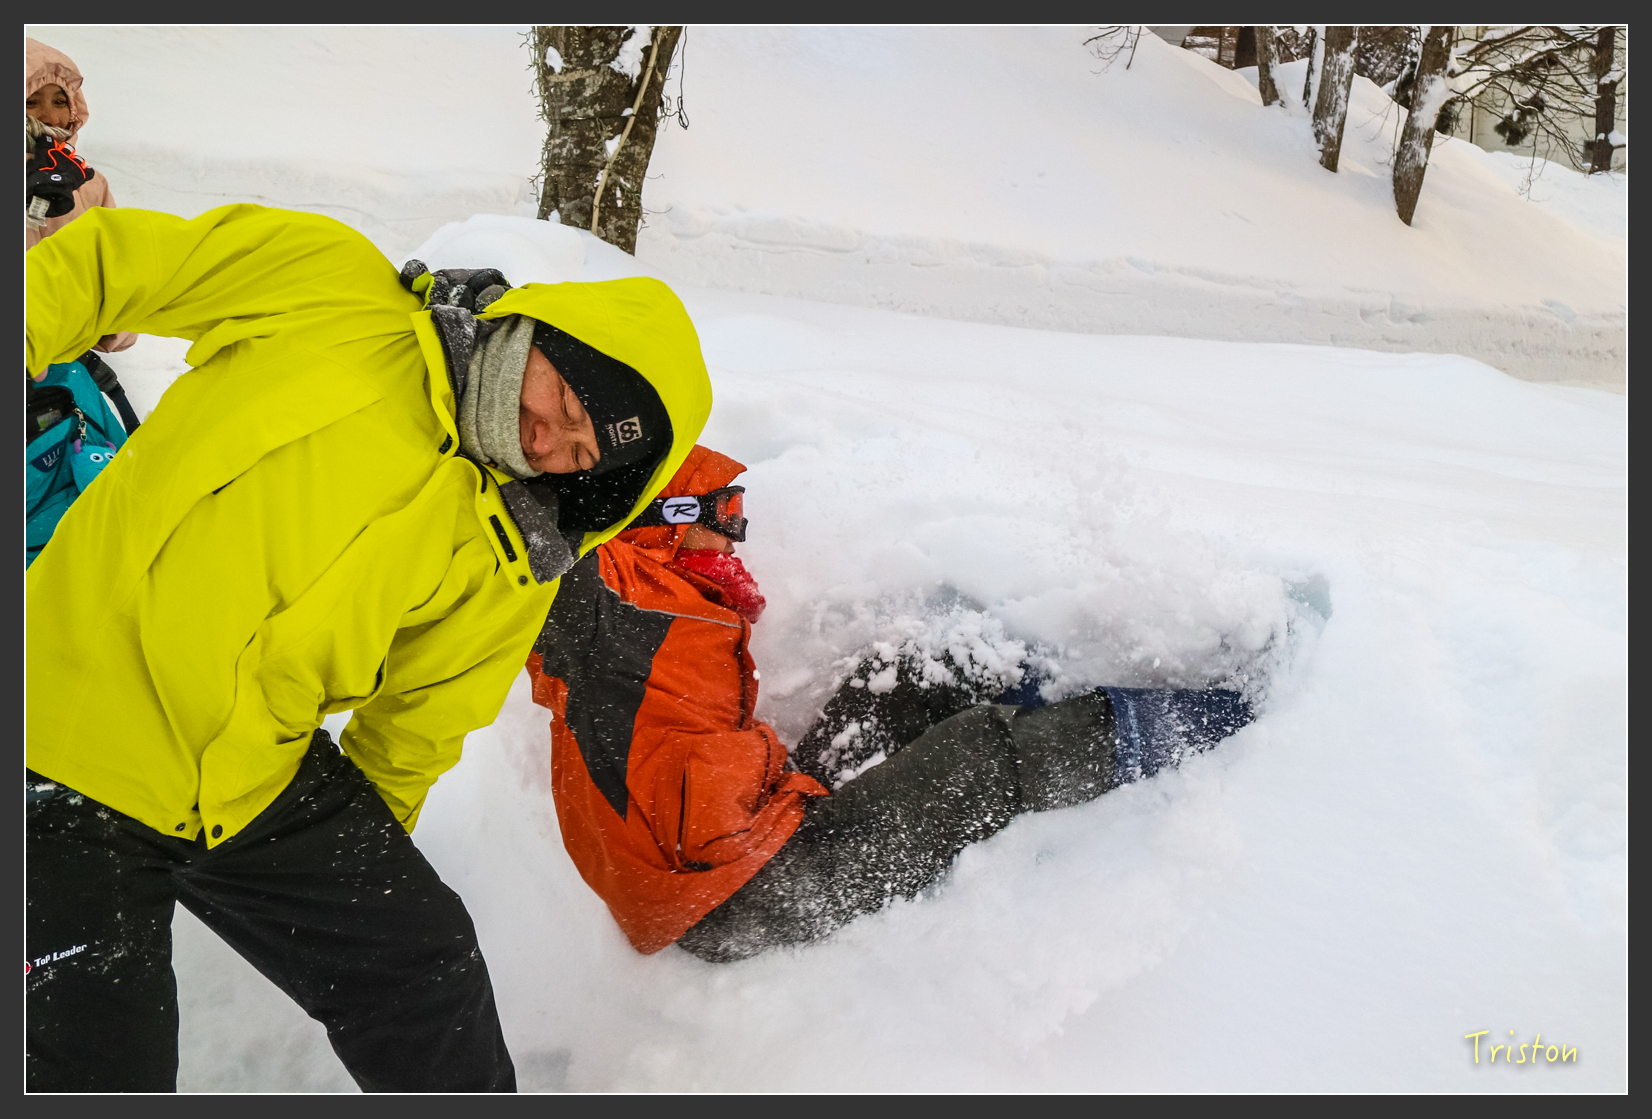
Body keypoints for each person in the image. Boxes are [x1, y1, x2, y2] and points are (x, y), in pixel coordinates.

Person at [25, 202, 711, 1091]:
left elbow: (415, 731)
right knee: (104, 1068)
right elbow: (114, 263)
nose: (549, 441)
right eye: (565, 402)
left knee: (424, 965)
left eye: (582, 452)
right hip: (64, 728)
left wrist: (350, 887)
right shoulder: (336, 290)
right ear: (545, 334)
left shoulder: (517, 552)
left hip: (247, 776)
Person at [526, 447, 1256, 962]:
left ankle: (1058, 693)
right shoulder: (607, 598)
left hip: (762, 820)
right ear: (667, 515)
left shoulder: (690, 601)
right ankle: (1171, 728)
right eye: (726, 514)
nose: (739, 534)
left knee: (904, 671)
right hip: (730, 896)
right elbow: (539, 572)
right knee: (979, 757)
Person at [26, 37, 144, 565]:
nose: (50, 114)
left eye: (59, 100)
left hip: (69, 371)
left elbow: (116, 274)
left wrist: (110, 328)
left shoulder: (90, 183)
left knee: (101, 505)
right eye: (32, 101)